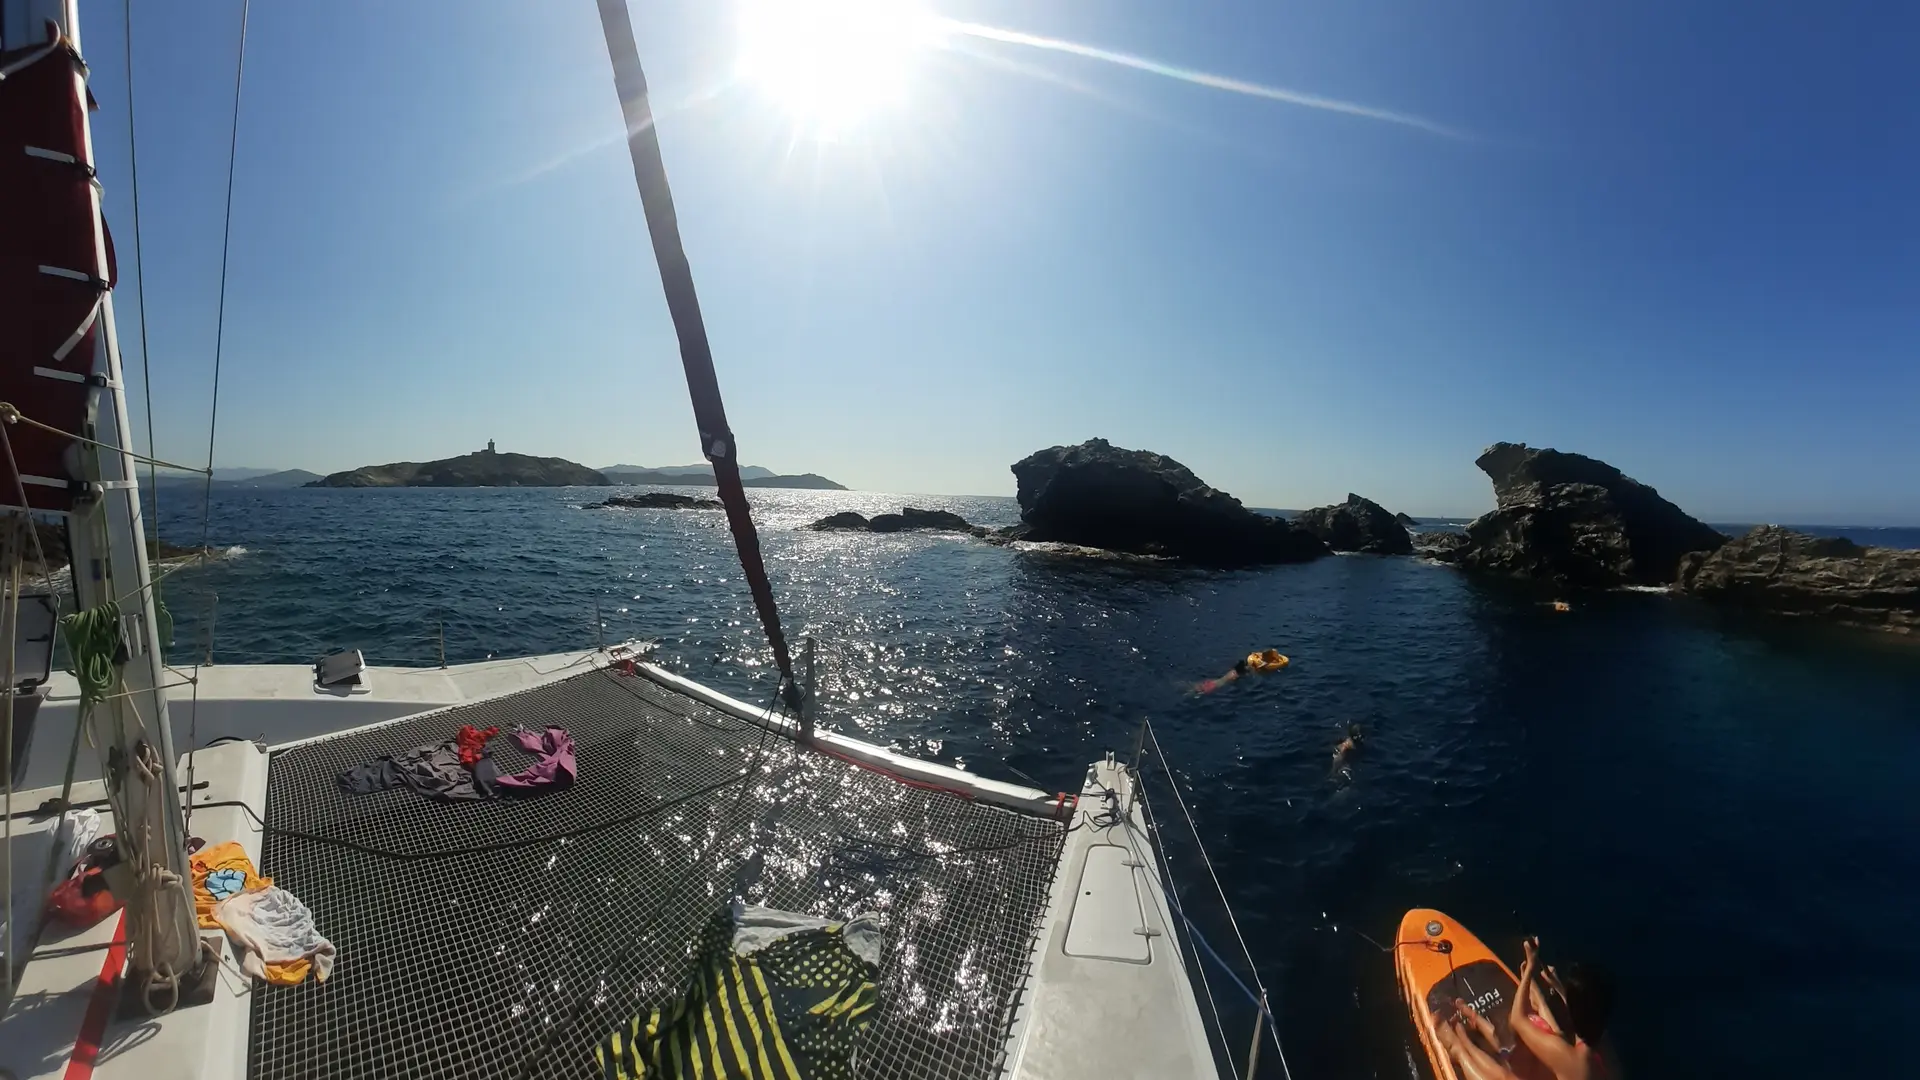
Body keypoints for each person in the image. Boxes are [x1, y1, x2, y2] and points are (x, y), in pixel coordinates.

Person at [1508, 937, 1613, 1080]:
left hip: (1569, 1065)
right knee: (1559, 1037)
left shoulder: (1571, 1061)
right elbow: (1584, 1013)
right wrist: (1559, 988)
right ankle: (1540, 1001)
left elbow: (1517, 1019)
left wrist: (1530, 966)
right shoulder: (1604, 1046)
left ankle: (1465, 1043)